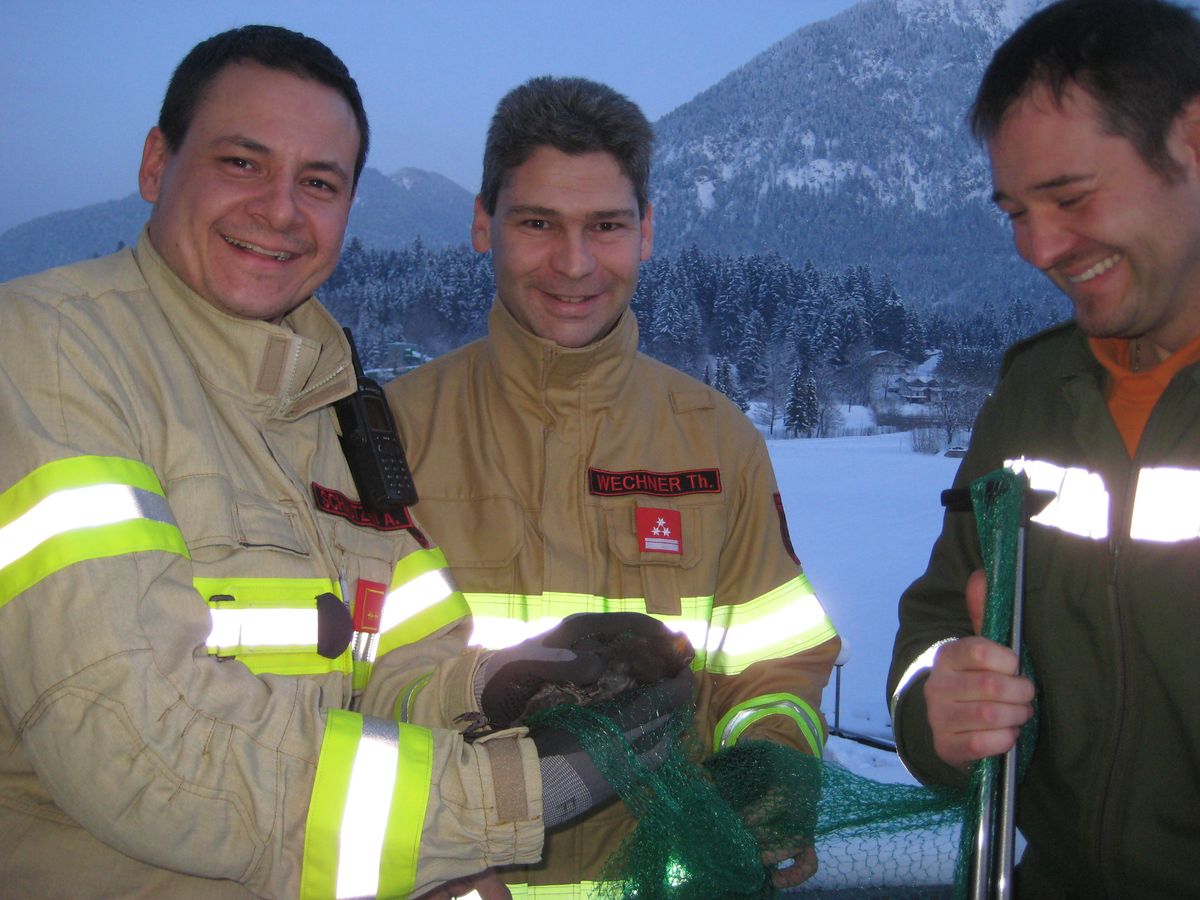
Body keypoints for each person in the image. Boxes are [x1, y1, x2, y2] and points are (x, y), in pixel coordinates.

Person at [0, 28, 690, 898]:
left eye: (319, 182)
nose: (282, 210)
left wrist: (500, 684)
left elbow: (385, 675)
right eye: (242, 163)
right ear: (155, 164)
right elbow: (141, 740)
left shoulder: (328, 407)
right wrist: (509, 795)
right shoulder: (53, 352)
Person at [386, 75, 841, 896]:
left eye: (606, 226)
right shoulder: (389, 437)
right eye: (537, 224)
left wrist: (771, 761)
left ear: (647, 233)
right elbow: (337, 685)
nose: (574, 262)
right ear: (483, 225)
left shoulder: (716, 439)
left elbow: (776, 661)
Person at [888, 1, 1200, 896]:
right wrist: (935, 707)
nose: (1040, 248)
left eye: (1069, 197)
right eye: (1016, 211)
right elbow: (940, 621)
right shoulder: (1033, 396)